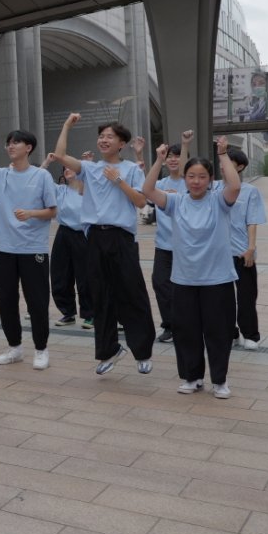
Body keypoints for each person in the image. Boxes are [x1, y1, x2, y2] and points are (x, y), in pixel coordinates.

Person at [53, 113, 156, 375]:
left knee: (132, 294)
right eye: (101, 136)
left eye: (110, 136)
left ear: (122, 143)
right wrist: (67, 125)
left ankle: (142, 351)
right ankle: (108, 350)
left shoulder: (131, 169)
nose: (103, 140)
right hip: (94, 238)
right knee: (100, 296)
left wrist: (118, 181)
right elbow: (60, 154)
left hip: (121, 237)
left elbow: (141, 202)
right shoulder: (89, 168)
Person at [143, 138, 240, 398]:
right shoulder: (175, 202)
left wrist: (222, 155)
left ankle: (220, 380)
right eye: (191, 176)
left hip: (217, 280)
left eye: (202, 177)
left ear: (210, 180)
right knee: (186, 332)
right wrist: (159, 160)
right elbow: (148, 190)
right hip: (184, 280)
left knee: (218, 333)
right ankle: (192, 377)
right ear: (184, 178)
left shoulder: (219, 201)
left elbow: (235, 184)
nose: (196, 181)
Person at [0, 132, 58, 370]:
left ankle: (41, 349)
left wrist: (31, 213)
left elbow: (52, 211)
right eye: (8, 142)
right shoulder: (0, 174)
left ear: (28, 147)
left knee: (37, 301)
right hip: (5, 249)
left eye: (16, 142)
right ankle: (15, 348)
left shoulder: (41, 176)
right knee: (6, 300)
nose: (10, 146)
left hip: (32, 248)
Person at [150, 131, 193, 344]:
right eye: (170, 156)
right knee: (160, 283)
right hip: (164, 245)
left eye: (177, 156)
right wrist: (150, 158)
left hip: (186, 246)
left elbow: (186, 171)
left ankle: (188, 324)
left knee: (185, 287)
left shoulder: (190, 183)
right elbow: (145, 188)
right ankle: (170, 325)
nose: (173, 159)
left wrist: (184, 144)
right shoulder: (160, 184)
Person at [225, 149, 266, 350]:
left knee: (247, 296)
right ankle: (230, 333)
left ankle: (251, 335)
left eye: (228, 162)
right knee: (222, 298)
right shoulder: (214, 188)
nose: (224, 166)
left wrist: (251, 248)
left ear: (239, 167)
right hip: (219, 254)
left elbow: (252, 221)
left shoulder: (250, 191)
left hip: (242, 252)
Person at [47, 154, 92, 330]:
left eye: (70, 167)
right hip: (63, 233)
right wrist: (48, 162)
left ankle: (90, 314)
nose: (67, 170)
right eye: (64, 168)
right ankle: (68, 312)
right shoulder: (60, 190)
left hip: (84, 234)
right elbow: (38, 177)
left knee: (86, 276)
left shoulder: (88, 191)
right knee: (59, 274)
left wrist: (87, 163)